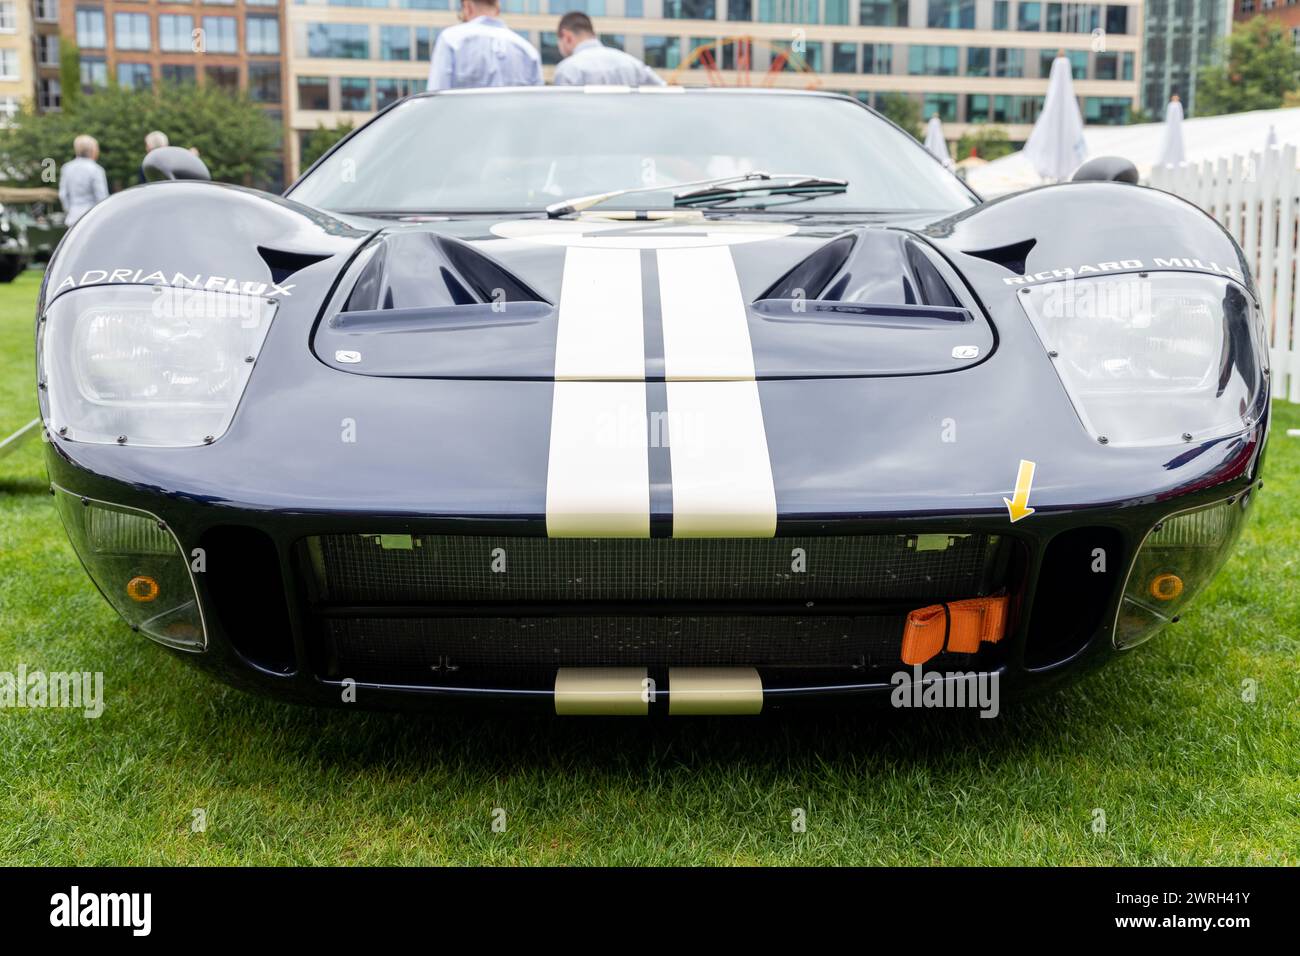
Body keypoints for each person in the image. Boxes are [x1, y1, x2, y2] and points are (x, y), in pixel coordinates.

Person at [427, 0, 542, 91]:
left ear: (467, 6)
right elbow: (536, 106)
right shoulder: (528, 50)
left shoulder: (451, 40)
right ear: (498, 8)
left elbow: (436, 98)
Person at [553, 12, 665, 87]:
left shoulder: (567, 69)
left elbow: (564, 114)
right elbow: (663, 91)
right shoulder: (632, 63)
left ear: (566, 37)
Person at [58, 135, 110, 227]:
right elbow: (101, 197)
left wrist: (69, 210)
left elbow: (63, 194)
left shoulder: (66, 168)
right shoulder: (96, 169)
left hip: (72, 219)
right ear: (93, 150)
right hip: (91, 219)